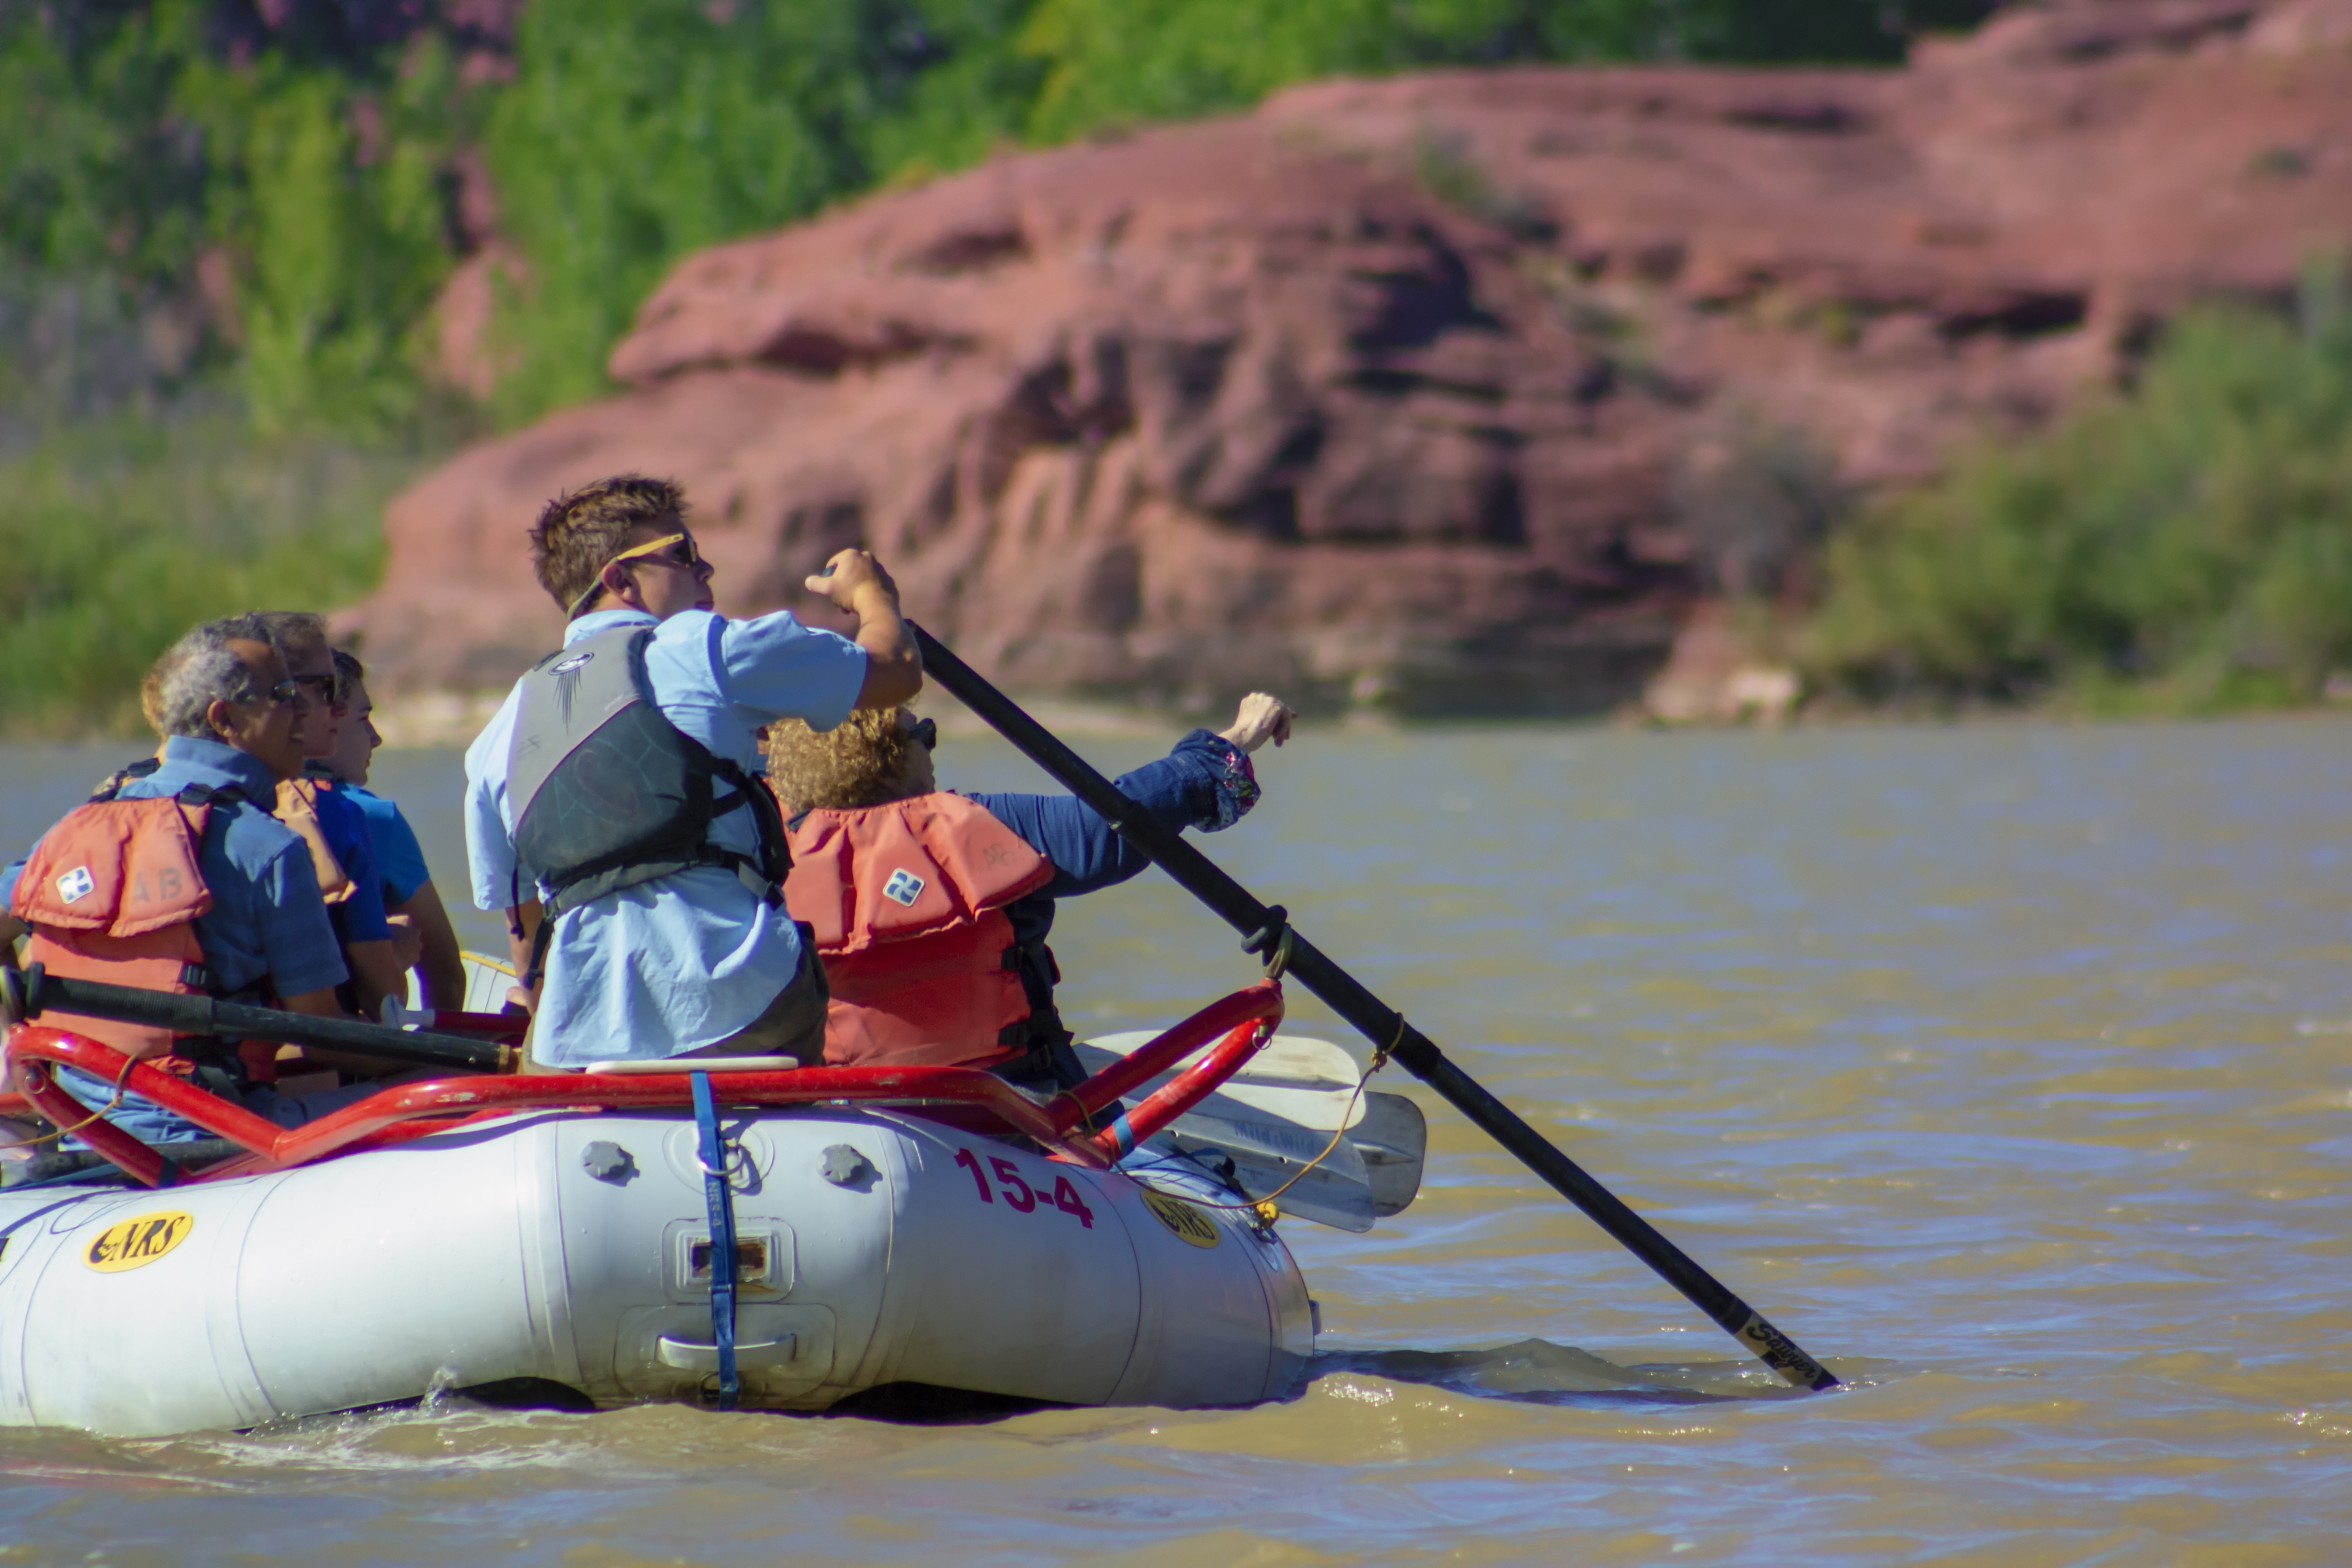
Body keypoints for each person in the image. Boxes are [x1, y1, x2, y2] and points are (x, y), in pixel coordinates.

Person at [463, 474, 922, 1068]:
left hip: (576, 1038)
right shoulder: (702, 645)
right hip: (745, 1003)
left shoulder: (495, 735)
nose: (706, 572)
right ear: (619, 581)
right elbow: (896, 669)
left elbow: (523, 932)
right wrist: (871, 595)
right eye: (683, 555)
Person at [0, 616, 410, 1153]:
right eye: (284, 696)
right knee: (423, 1091)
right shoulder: (268, 848)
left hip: (80, 1132)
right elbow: (324, 1034)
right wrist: (415, 1053)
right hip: (210, 1133)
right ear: (226, 720)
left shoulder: (75, 826)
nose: (304, 712)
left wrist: (16, 1027)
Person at [765, 693, 1297, 1091]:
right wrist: (1231, 740)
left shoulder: (763, 858)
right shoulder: (980, 825)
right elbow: (1115, 828)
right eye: (922, 733)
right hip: (1021, 1107)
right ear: (883, 760)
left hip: (863, 1113)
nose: (931, 745)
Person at [254, 612, 411, 1021]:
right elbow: (387, 1001)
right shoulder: (341, 814)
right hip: (291, 1074)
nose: (337, 711)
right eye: (327, 690)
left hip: (129, 1074)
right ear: (281, 695)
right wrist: (400, 952)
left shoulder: (128, 795)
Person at [324, 648, 467, 1011]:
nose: (376, 738)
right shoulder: (373, 816)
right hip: (345, 1057)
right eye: (363, 719)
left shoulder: (236, 803)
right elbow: (445, 972)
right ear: (325, 721)